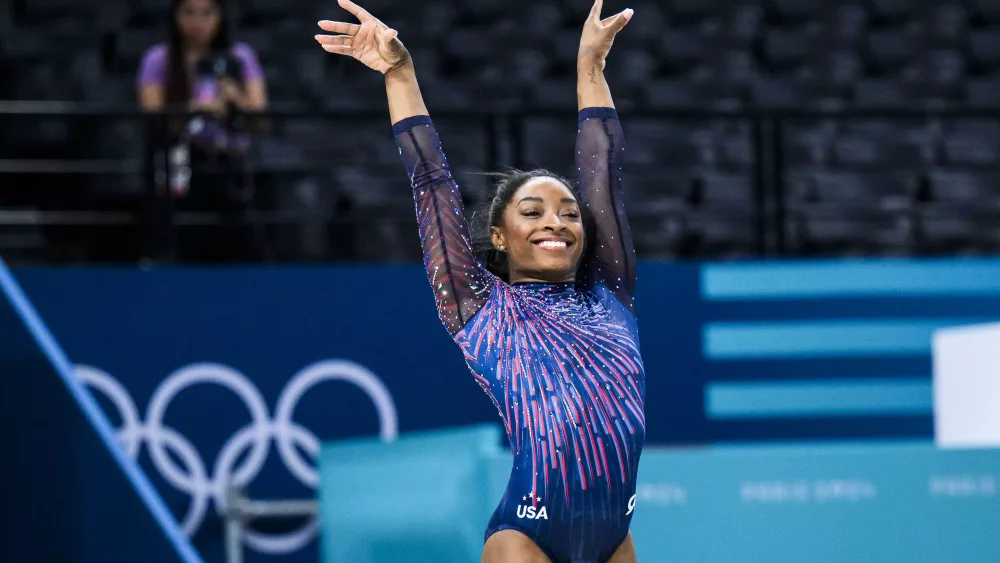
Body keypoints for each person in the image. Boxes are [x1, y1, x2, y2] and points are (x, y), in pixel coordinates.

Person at [316, 1, 643, 562]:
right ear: (498, 235)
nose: (556, 223)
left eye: (568, 212)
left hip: (615, 535)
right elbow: (431, 184)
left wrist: (591, 67)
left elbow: (602, 171)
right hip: (527, 535)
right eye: (533, 211)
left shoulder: (609, 291)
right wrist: (400, 74)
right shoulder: (478, 307)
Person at [137, 0, 269, 261]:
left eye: (207, 13)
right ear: (175, 16)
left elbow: (261, 121)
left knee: (240, 247)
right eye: (189, 13)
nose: (198, 22)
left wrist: (236, 100)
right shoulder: (158, 59)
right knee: (184, 245)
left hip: (230, 165)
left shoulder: (240, 57)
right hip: (180, 167)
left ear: (220, 17)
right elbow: (151, 118)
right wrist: (195, 109)